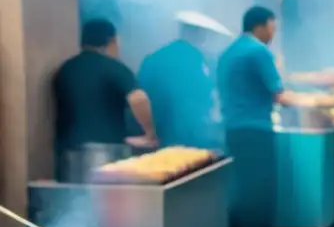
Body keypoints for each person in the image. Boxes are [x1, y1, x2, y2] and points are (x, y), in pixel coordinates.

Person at [217, 6, 294, 227]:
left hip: (233, 129)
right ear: (260, 26)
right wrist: (307, 102)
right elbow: (280, 95)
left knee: (240, 189)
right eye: (272, 27)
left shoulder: (229, 51)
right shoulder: (258, 51)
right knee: (259, 191)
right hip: (256, 130)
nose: (273, 33)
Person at [53, 18, 157, 179]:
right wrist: (149, 133)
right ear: (112, 41)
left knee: (74, 200)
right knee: (104, 202)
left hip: (68, 154)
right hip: (105, 154)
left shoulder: (65, 69)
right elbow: (139, 98)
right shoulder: (114, 67)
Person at [138, 12, 231, 150]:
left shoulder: (156, 56)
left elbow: (142, 89)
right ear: (199, 34)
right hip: (190, 131)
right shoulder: (198, 59)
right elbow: (206, 90)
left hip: (159, 126)